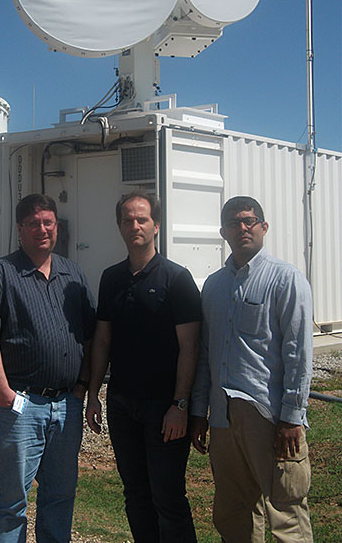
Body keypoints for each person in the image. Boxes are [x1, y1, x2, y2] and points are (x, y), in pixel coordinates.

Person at [0, 193, 96, 543]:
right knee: (12, 499)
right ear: (19, 229)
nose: (42, 230)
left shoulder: (73, 274)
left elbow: (89, 336)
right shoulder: (1, 275)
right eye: (33, 224)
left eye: (48, 223)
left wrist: (82, 387)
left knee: (60, 495)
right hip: (20, 407)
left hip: (67, 405)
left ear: (57, 227)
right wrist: (3, 393)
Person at [190, 195, 313, 542]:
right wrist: (200, 411)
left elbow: (298, 354)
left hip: (269, 416)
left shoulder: (286, 280)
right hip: (224, 419)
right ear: (223, 231)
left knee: (286, 511)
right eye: (233, 222)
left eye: (249, 220)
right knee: (233, 511)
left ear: (263, 227)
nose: (242, 227)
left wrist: (292, 416)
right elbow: (204, 354)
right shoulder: (213, 286)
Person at [86, 191, 202, 542]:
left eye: (141, 219)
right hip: (123, 405)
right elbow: (102, 340)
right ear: (119, 226)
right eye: (127, 219)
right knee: (135, 495)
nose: (134, 225)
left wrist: (180, 405)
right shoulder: (111, 278)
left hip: (164, 409)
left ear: (156, 225)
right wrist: (93, 395)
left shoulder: (177, 279)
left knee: (167, 498)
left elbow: (190, 347)